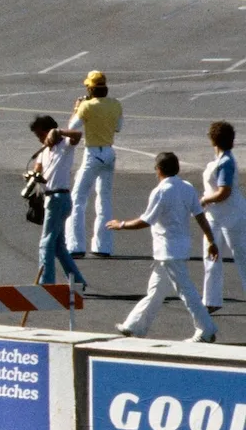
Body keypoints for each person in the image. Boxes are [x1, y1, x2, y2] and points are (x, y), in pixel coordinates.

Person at [110, 152, 220, 343]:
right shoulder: (187, 187)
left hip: (168, 251)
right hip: (177, 249)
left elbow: (146, 220)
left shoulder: (161, 191)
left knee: (187, 292)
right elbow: (200, 215)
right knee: (156, 291)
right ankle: (134, 326)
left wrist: (121, 225)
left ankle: (206, 329)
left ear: (159, 170)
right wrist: (211, 240)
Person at [28, 115, 88, 291]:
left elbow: (78, 135)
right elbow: (37, 169)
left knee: (45, 243)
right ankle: (78, 281)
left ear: (49, 132)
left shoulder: (65, 145)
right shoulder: (44, 150)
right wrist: (32, 177)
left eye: (41, 135)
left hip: (59, 198)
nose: (40, 139)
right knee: (59, 246)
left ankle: (46, 284)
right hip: (50, 198)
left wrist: (59, 131)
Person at [68, 70, 123, 257]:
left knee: (77, 198)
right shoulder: (115, 104)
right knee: (104, 198)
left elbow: (72, 128)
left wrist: (77, 109)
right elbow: (118, 127)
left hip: (93, 153)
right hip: (109, 151)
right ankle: (103, 246)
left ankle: (75, 245)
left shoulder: (87, 106)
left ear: (91, 88)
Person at [201, 121, 246, 313]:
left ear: (213, 141)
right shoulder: (220, 160)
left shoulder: (225, 162)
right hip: (216, 215)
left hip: (231, 215)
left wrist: (203, 200)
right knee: (211, 255)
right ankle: (211, 300)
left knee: (242, 254)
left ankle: (211, 300)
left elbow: (224, 192)